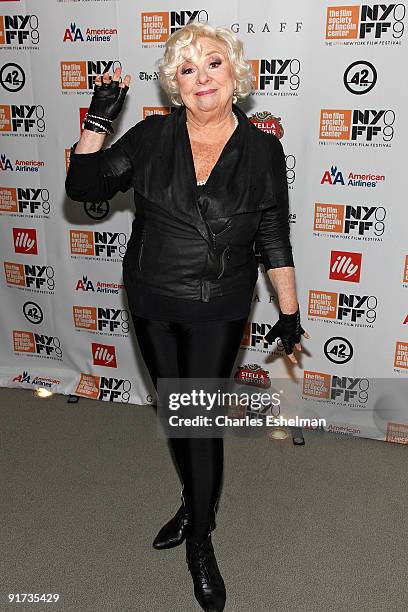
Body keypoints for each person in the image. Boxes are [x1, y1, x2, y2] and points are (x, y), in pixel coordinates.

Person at [65, 21, 309, 612]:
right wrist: (99, 117)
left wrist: (290, 309)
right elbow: (82, 183)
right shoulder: (150, 138)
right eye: (187, 69)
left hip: (218, 308)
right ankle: (192, 502)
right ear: (174, 84)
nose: (202, 78)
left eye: (213, 64)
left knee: (198, 422)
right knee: (176, 412)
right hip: (150, 299)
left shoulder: (263, 149)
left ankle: (200, 541)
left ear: (235, 73)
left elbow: (273, 232)